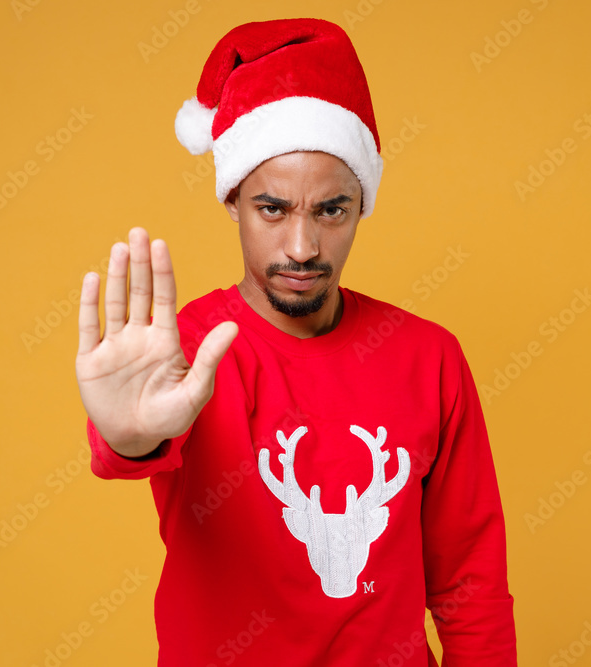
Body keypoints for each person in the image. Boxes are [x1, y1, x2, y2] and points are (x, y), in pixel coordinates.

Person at [75, 18, 517, 666]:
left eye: (331, 209)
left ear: (362, 202)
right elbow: (133, 440)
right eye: (273, 208)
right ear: (232, 200)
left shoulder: (431, 359)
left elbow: (469, 585)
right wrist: (127, 432)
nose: (302, 247)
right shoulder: (187, 349)